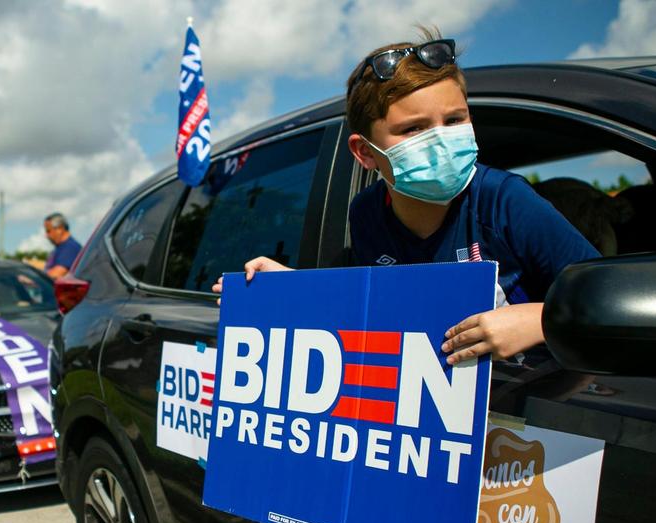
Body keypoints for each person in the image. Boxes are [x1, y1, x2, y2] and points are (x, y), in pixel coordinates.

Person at [214, 33, 599, 365]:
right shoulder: (366, 214)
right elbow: (372, 311)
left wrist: (540, 319)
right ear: (365, 153)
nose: (440, 140)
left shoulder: (504, 200)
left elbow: (604, 297)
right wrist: (291, 289)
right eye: (413, 129)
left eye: (453, 120)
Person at [42, 212, 81, 279]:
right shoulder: (61, 248)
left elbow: (56, 274)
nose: (46, 235)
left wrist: (32, 279)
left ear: (60, 229)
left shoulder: (70, 248)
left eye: (48, 231)